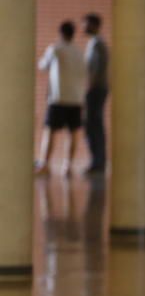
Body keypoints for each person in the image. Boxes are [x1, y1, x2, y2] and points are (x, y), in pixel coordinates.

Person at [37, 21, 88, 177]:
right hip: (76, 98)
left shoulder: (55, 49)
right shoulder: (80, 53)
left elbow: (42, 65)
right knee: (73, 132)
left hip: (58, 98)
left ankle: (45, 164)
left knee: (49, 131)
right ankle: (68, 167)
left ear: (60, 33)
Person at [82, 13, 110, 174]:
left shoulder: (98, 43)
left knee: (93, 125)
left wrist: (89, 87)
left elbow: (97, 69)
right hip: (95, 88)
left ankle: (98, 162)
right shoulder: (94, 43)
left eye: (86, 24)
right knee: (92, 124)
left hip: (96, 89)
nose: (84, 27)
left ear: (94, 25)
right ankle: (96, 161)